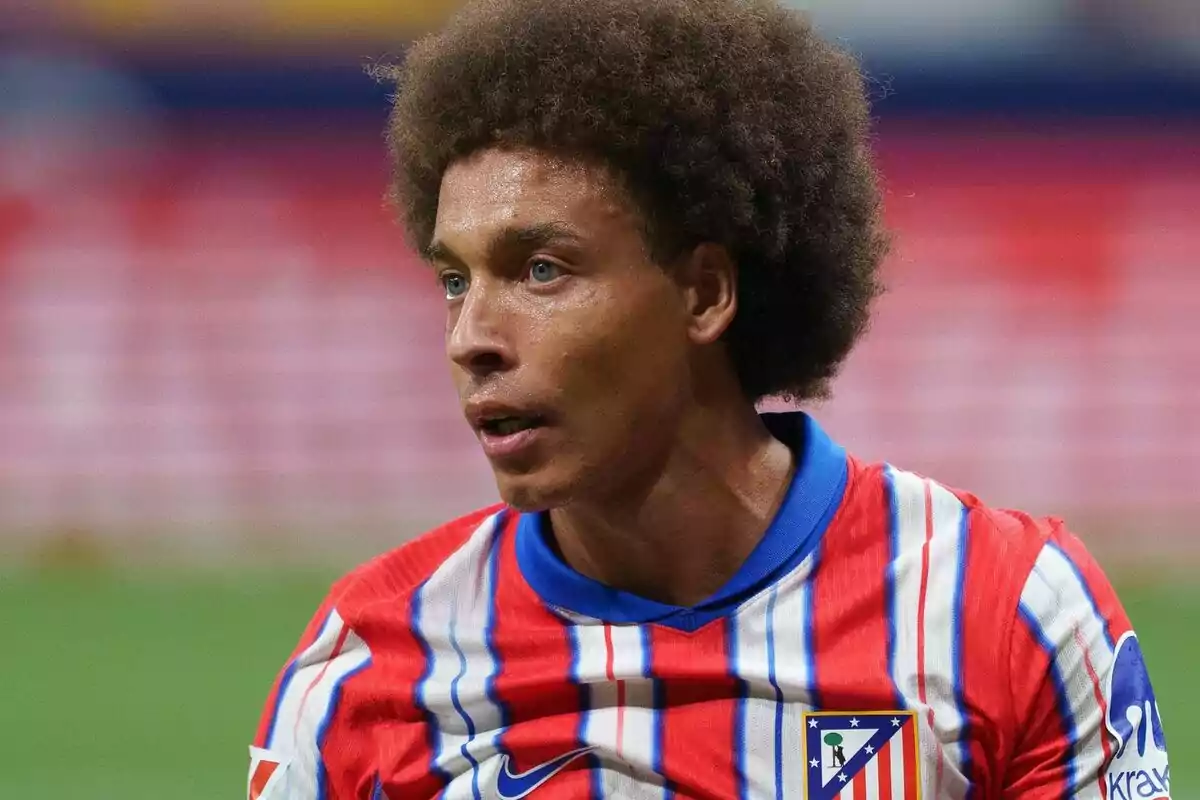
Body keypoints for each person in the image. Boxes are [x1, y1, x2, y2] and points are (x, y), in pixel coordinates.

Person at [248, 0, 1171, 798]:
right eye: (455, 280)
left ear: (702, 295)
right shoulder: (364, 673)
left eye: (540, 269)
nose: (470, 339)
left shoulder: (1006, 612)